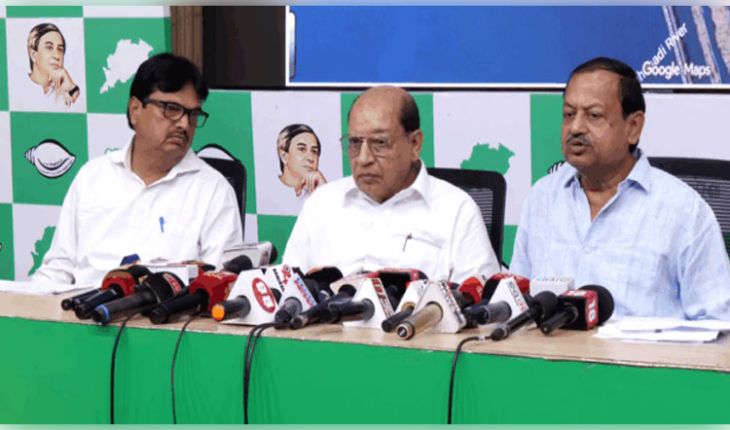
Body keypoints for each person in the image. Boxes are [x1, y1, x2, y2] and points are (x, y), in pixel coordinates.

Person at [510, 57, 730, 320]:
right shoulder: (542, 197)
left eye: (593, 115)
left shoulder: (684, 211)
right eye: (569, 114)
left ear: (633, 127)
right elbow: (517, 304)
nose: (576, 127)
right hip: (548, 347)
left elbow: (719, 324)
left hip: (643, 348)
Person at [33, 53, 243, 285]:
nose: (184, 124)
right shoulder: (93, 177)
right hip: (83, 304)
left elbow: (220, 283)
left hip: (166, 307)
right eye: (171, 109)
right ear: (135, 109)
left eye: (193, 114)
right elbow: (58, 269)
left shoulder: (213, 190)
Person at [283, 86, 500, 283]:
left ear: (414, 144)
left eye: (380, 143)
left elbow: (481, 304)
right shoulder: (321, 204)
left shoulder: (457, 211)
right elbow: (287, 292)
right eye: (355, 143)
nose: (363, 158)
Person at [26, 23, 80, 107]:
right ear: (33, 55)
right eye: (49, 47)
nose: (57, 56)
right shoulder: (17, 86)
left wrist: (71, 87)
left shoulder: (64, 93)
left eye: (60, 49)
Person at [276, 124, 327, 197]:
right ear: (284, 156)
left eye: (314, 151)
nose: (310, 158)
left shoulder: (320, 191)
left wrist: (324, 189)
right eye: (302, 149)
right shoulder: (267, 189)